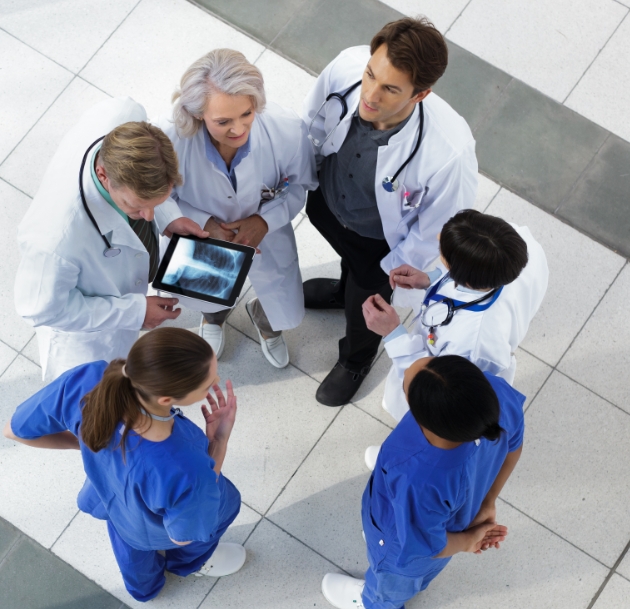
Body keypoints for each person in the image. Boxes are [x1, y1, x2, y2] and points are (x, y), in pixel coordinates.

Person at [301, 17, 478, 406]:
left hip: (379, 242)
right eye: (370, 76)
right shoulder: (348, 66)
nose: (370, 95)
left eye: (390, 89)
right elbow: (312, 121)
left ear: (420, 94)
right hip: (329, 204)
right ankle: (340, 291)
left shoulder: (449, 150)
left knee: (368, 296)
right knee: (350, 272)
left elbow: (441, 225)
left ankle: (356, 357)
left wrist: (395, 267)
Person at [3, 328, 244, 602]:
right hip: (154, 527)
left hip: (110, 498)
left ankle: (144, 592)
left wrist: (84, 441)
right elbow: (183, 537)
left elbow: (13, 430)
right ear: (166, 399)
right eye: (208, 382)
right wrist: (219, 442)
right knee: (214, 517)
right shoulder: (186, 467)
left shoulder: (90, 378)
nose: (215, 381)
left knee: (131, 551)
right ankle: (187, 566)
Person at [14, 97, 209, 382]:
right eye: (137, 206)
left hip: (120, 290)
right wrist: (134, 311)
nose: (147, 216)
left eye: (158, 202)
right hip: (88, 341)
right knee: (98, 393)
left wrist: (169, 217)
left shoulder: (125, 116)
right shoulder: (54, 241)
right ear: (103, 175)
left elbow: (147, 186)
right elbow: (41, 310)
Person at [320, 355, 524, 609]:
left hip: (402, 546)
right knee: (422, 573)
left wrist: (469, 541)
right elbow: (514, 447)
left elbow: (424, 544)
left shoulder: (417, 479)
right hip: (455, 522)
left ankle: (373, 601)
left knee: (390, 586)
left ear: (423, 421)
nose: (420, 362)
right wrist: (487, 502)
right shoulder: (494, 395)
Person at [156, 49, 317, 368]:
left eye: (246, 113)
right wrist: (202, 223)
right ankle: (214, 318)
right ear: (199, 113)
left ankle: (264, 319)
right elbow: (156, 196)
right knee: (208, 292)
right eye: (223, 121)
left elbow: (301, 185)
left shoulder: (286, 130)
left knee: (280, 303)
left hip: (266, 237)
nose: (238, 129)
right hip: (200, 236)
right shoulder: (167, 138)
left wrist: (265, 220)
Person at [362, 209, 548, 431]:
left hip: (435, 401)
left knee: (415, 417)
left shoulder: (473, 344)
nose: (438, 240)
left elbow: (442, 388)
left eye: (444, 255)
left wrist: (393, 334)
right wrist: (431, 279)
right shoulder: (510, 245)